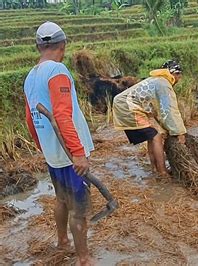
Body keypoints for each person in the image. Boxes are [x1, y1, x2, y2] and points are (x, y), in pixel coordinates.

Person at [24, 22, 95, 265]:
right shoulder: (58, 71)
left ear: (38, 46)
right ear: (62, 45)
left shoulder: (30, 76)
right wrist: (78, 152)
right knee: (79, 207)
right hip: (68, 153)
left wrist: (41, 145)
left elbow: (29, 118)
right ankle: (84, 259)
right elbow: (63, 115)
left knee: (61, 199)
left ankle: (62, 241)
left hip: (53, 154)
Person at [112, 60, 187, 177]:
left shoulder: (157, 80)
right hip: (128, 107)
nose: (180, 78)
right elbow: (170, 110)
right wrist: (179, 132)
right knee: (156, 136)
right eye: (179, 75)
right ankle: (162, 172)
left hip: (126, 105)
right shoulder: (163, 84)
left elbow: (156, 111)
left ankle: (155, 169)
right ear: (174, 73)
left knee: (152, 136)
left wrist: (167, 128)